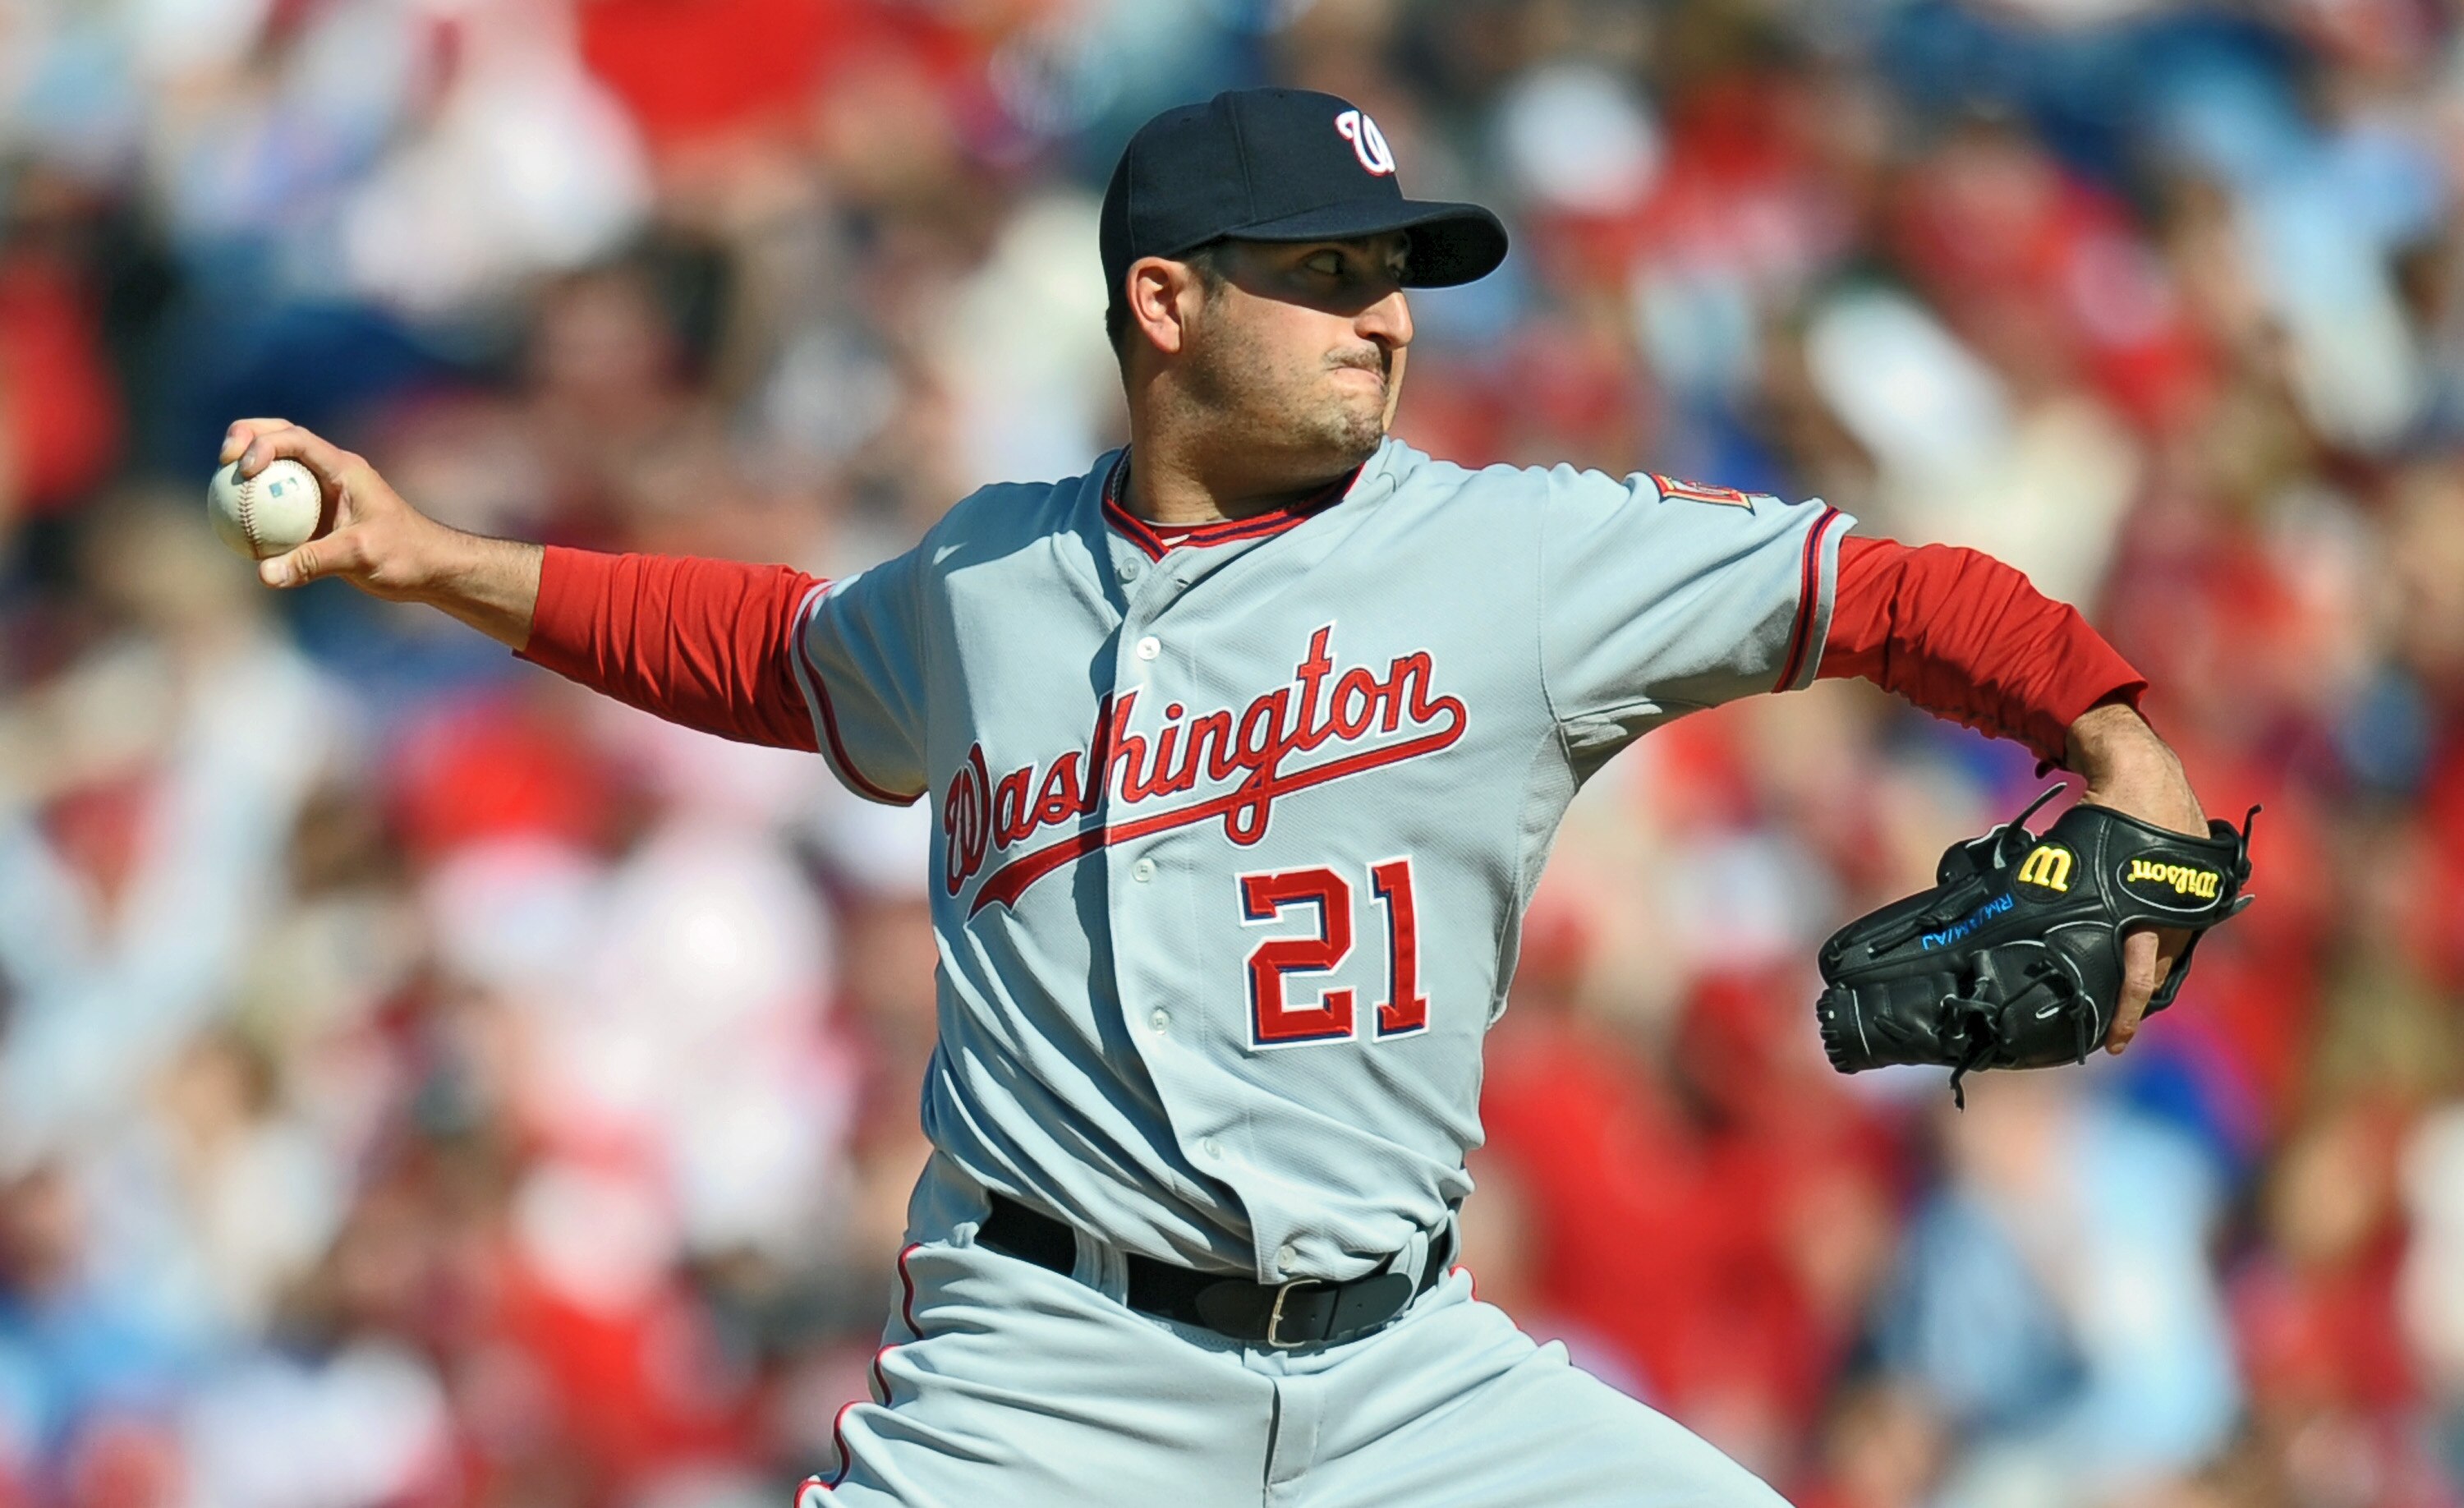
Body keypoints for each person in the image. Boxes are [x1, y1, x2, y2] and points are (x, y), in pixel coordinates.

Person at [221, 88, 2210, 1508]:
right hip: (1045, 1379)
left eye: (1399, 270)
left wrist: (2113, 736)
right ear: (1164, 305)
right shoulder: (990, 577)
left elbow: (1880, 591)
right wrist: (432, 563)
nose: (1389, 312)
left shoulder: (1521, 556)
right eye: (1327, 269)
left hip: (1409, 1377)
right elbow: (770, 653)